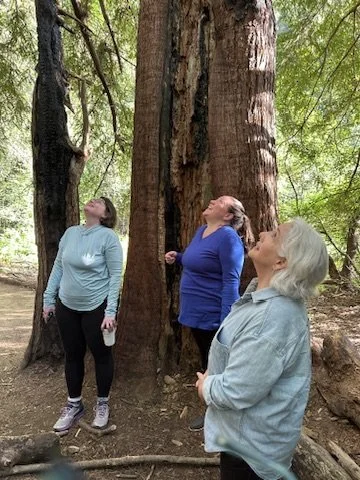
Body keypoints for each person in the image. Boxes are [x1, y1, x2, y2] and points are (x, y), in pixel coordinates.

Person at [196, 218, 329, 480]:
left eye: (274, 234)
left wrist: (205, 388)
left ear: (281, 262)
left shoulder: (271, 318)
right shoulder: (261, 296)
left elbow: (238, 391)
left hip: (250, 454)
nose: (263, 233)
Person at [165, 196, 254, 431]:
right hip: (195, 312)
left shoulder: (228, 238)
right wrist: (180, 257)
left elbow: (230, 281)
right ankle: (216, 411)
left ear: (227, 215)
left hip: (214, 314)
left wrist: (228, 321)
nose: (213, 200)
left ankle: (219, 415)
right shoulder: (202, 230)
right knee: (208, 361)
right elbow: (199, 261)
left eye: (221, 201)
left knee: (216, 365)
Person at [43, 197, 123, 432]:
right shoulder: (70, 233)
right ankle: (74, 404)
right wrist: (49, 298)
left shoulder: (108, 238)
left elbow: (115, 276)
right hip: (67, 305)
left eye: (100, 203)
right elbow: (58, 266)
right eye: (93, 200)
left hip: (96, 306)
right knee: (73, 355)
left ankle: (102, 404)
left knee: (101, 355)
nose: (93, 201)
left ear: (106, 215)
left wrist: (110, 311)